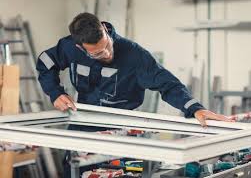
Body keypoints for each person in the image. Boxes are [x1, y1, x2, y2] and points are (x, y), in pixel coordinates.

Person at [36, 12, 233, 177]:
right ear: (79, 47)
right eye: (97, 54)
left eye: (107, 46)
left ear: (105, 29)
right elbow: (46, 63)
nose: (107, 54)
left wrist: (195, 109)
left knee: (123, 172)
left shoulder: (134, 55)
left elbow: (167, 83)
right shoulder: (69, 47)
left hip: (124, 127)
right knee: (75, 168)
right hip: (84, 121)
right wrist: (55, 93)